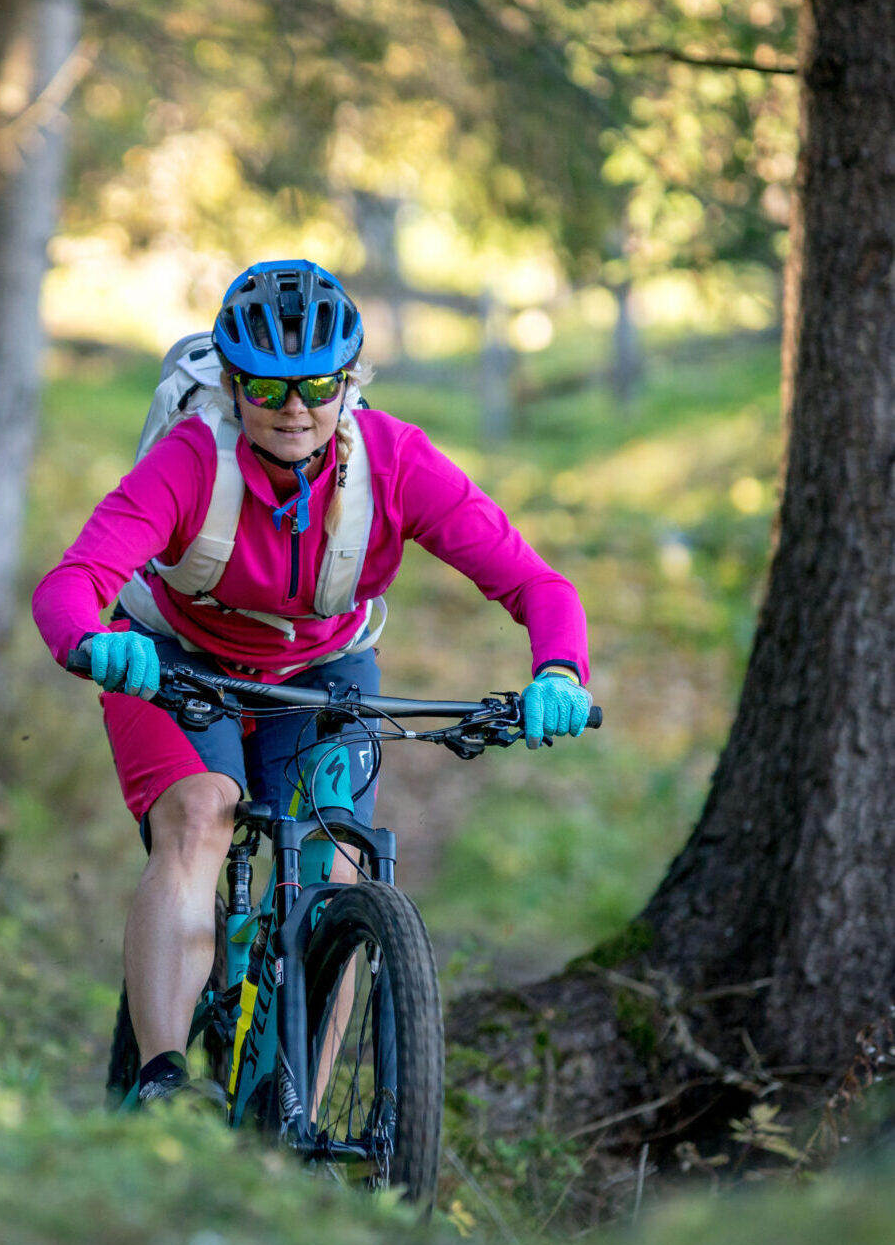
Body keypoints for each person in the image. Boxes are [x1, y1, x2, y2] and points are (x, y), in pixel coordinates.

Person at [31, 261, 593, 1106]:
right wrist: (94, 643)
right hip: (174, 656)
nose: (294, 408)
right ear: (231, 384)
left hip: (322, 670)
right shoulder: (191, 462)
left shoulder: (397, 462)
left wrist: (559, 669)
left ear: (350, 383)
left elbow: (537, 585)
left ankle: (290, 1119)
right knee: (200, 814)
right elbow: (71, 583)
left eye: (318, 385)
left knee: (332, 877)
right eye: (265, 386)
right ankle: (161, 1080)